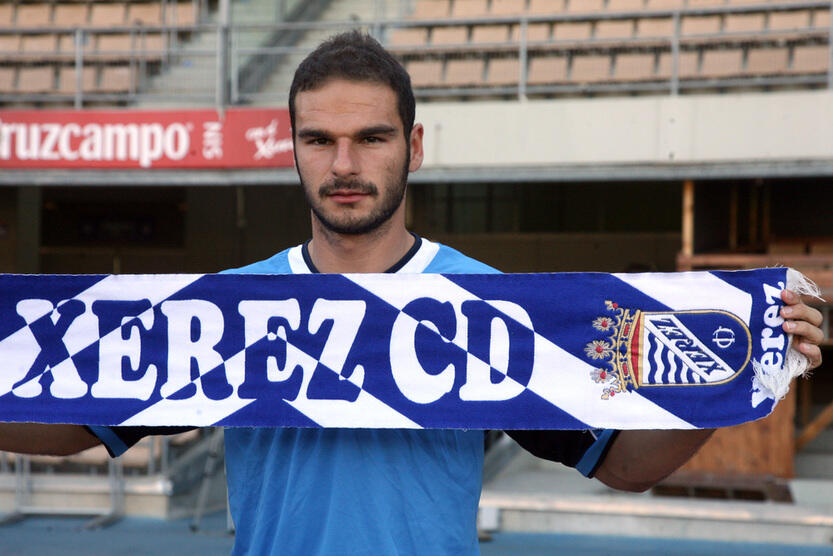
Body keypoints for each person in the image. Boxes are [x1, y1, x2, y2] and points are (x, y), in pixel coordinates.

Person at [0, 31, 825, 555]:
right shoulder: (230, 309)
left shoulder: (486, 305)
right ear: (292, 150)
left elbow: (620, 462)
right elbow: (79, 424)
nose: (345, 165)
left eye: (371, 138)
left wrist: (739, 372)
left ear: (414, 146)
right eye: (319, 140)